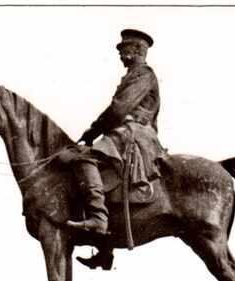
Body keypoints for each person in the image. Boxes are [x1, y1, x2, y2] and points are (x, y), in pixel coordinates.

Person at [56, 29, 164, 246]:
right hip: (127, 132)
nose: (120, 54)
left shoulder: (143, 74)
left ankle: (98, 218)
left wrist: (94, 131)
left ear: (135, 50)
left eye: (123, 49)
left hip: (135, 133)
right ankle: (105, 247)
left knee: (83, 158)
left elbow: (118, 110)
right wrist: (93, 132)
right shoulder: (133, 75)